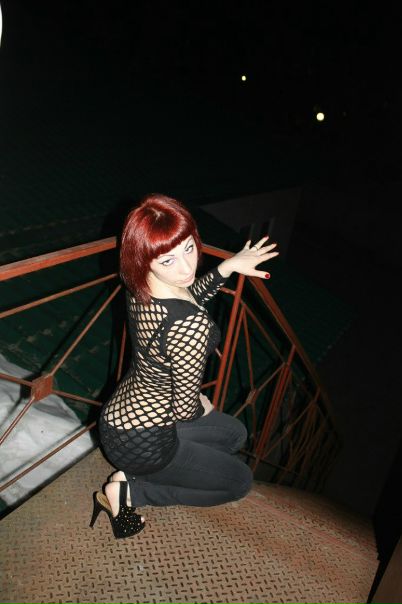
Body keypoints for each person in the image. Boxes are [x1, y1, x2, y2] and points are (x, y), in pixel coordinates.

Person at [90, 193, 279, 538]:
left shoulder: (140, 284)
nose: (186, 268)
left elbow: (186, 297)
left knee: (235, 435)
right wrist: (200, 407)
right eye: (168, 260)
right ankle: (131, 492)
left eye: (189, 248)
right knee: (239, 482)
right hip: (146, 445)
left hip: (119, 420)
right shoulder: (190, 326)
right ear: (146, 260)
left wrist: (227, 267)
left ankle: (146, 473)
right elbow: (184, 408)